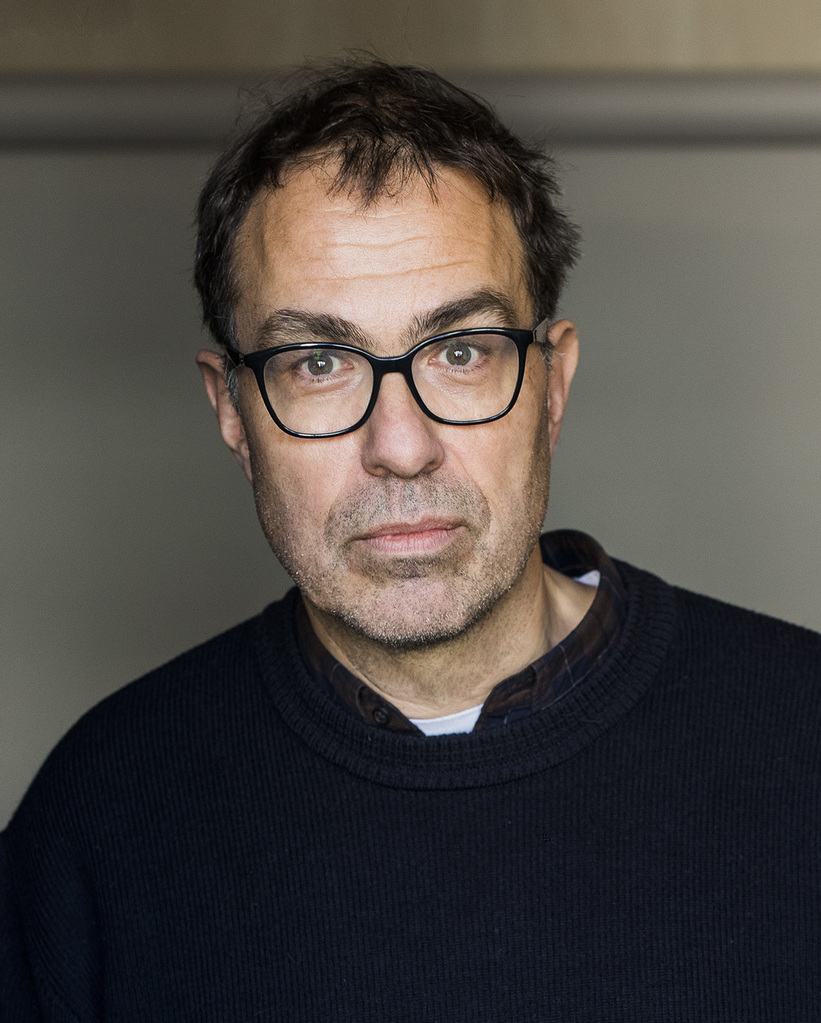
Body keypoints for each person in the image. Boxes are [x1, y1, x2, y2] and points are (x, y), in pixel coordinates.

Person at [3, 59, 820, 1022]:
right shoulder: (102, 812)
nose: (400, 445)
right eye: (318, 362)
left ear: (551, 385)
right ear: (232, 411)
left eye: (460, 352)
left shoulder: (800, 739)